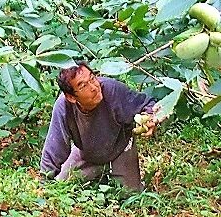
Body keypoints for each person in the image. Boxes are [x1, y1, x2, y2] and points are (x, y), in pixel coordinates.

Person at [40, 61, 158, 191]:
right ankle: (99, 174)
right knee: (62, 185)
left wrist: (151, 118)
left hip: (121, 147)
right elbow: (54, 147)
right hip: (86, 153)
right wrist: (44, 185)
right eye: (83, 85)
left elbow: (148, 104)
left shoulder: (113, 90)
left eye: (92, 78)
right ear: (71, 97)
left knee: (130, 195)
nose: (94, 87)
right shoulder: (64, 106)